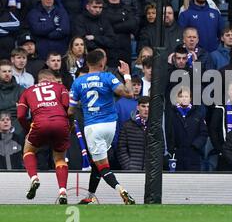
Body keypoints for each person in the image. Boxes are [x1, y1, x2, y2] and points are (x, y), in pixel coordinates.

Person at [68, 49, 136, 204]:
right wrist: (126, 74)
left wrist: (71, 121)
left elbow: (71, 110)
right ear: (102, 63)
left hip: (93, 127)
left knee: (103, 166)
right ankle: (90, 196)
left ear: (87, 63)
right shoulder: (108, 77)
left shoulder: (78, 82)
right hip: (111, 126)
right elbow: (129, 93)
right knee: (96, 162)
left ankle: (121, 190)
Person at [16, 69, 71, 204]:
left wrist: (29, 128)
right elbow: (67, 107)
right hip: (60, 122)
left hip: (40, 123)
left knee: (28, 151)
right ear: (51, 79)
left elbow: (20, 115)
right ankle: (62, 191)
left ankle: (34, 177)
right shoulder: (60, 87)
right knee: (59, 158)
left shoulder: (27, 91)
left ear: (38, 80)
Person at [165, 86, 208, 171]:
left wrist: (195, 146)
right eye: (181, 96)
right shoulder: (171, 113)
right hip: (176, 154)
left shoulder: (197, 113)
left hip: (193, 154)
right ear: (177, 98)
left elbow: (204, 133)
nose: (184, 99)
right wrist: (171, 148)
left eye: (186, 96)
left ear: (190, 98)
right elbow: (167, 131)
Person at [117, 95, 150, 170]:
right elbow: (121, 149)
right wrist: (128, 166)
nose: (146, 109)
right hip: (132, 170)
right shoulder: (127, 125)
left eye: (148, 107)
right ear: (138, 107)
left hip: (150, 171)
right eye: (143, 106)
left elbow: (160, 148)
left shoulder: (155, 126)